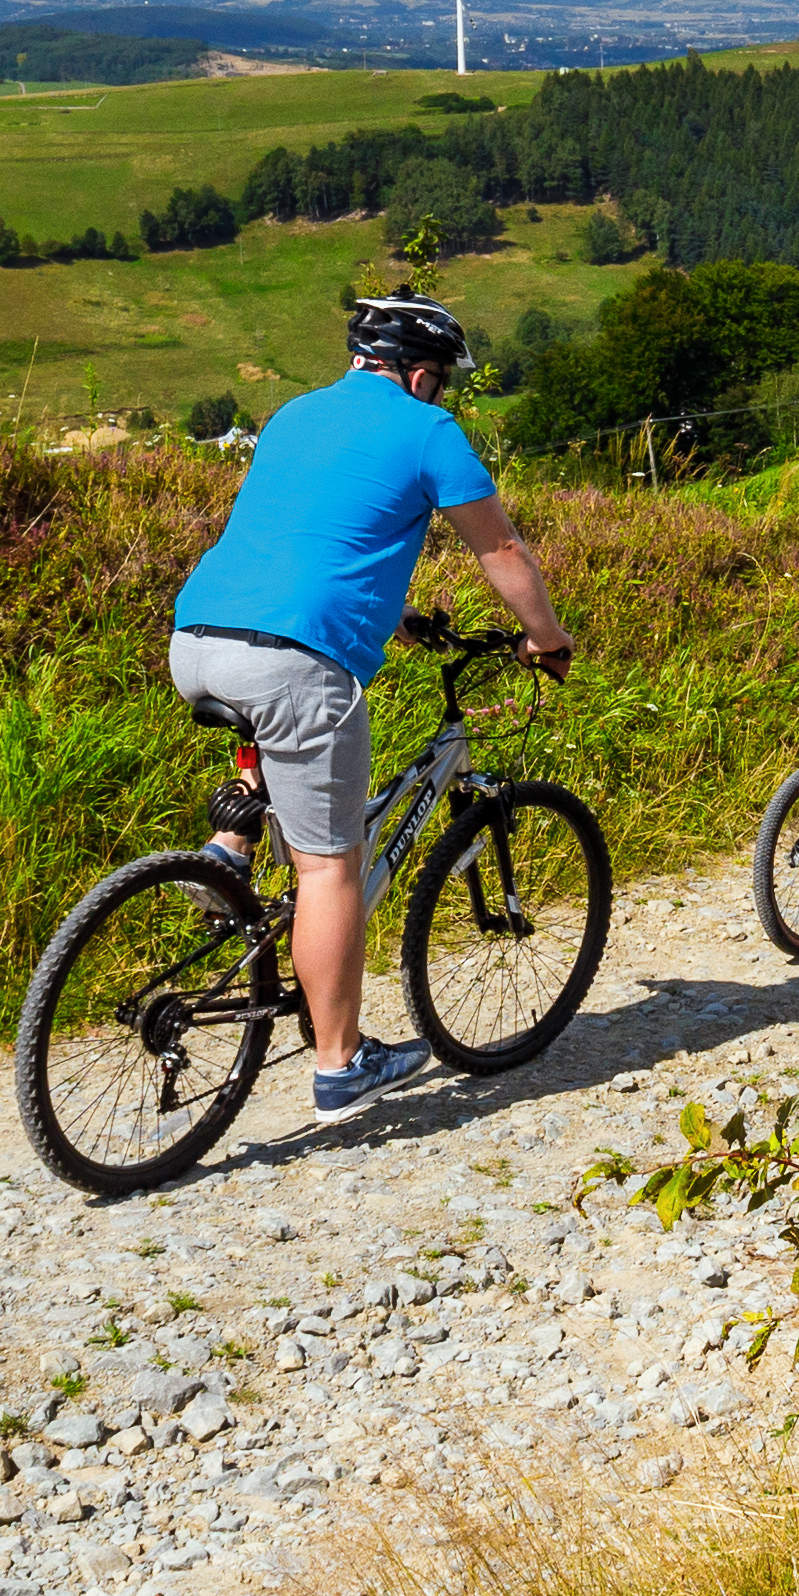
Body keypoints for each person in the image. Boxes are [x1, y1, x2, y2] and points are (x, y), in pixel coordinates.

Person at [165, 290, 569, 1114]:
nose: (444, 395)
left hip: (199, 637)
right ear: (421, 377)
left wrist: (402, 619)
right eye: (445, 382)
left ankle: (226, 850)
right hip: (294, 658)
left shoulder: (292, 413)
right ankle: (340, 1063)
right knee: (327, 865)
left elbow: (316, 530)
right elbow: (498, 545)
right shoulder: (427, 430)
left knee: (278, 739)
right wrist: (546, 638)